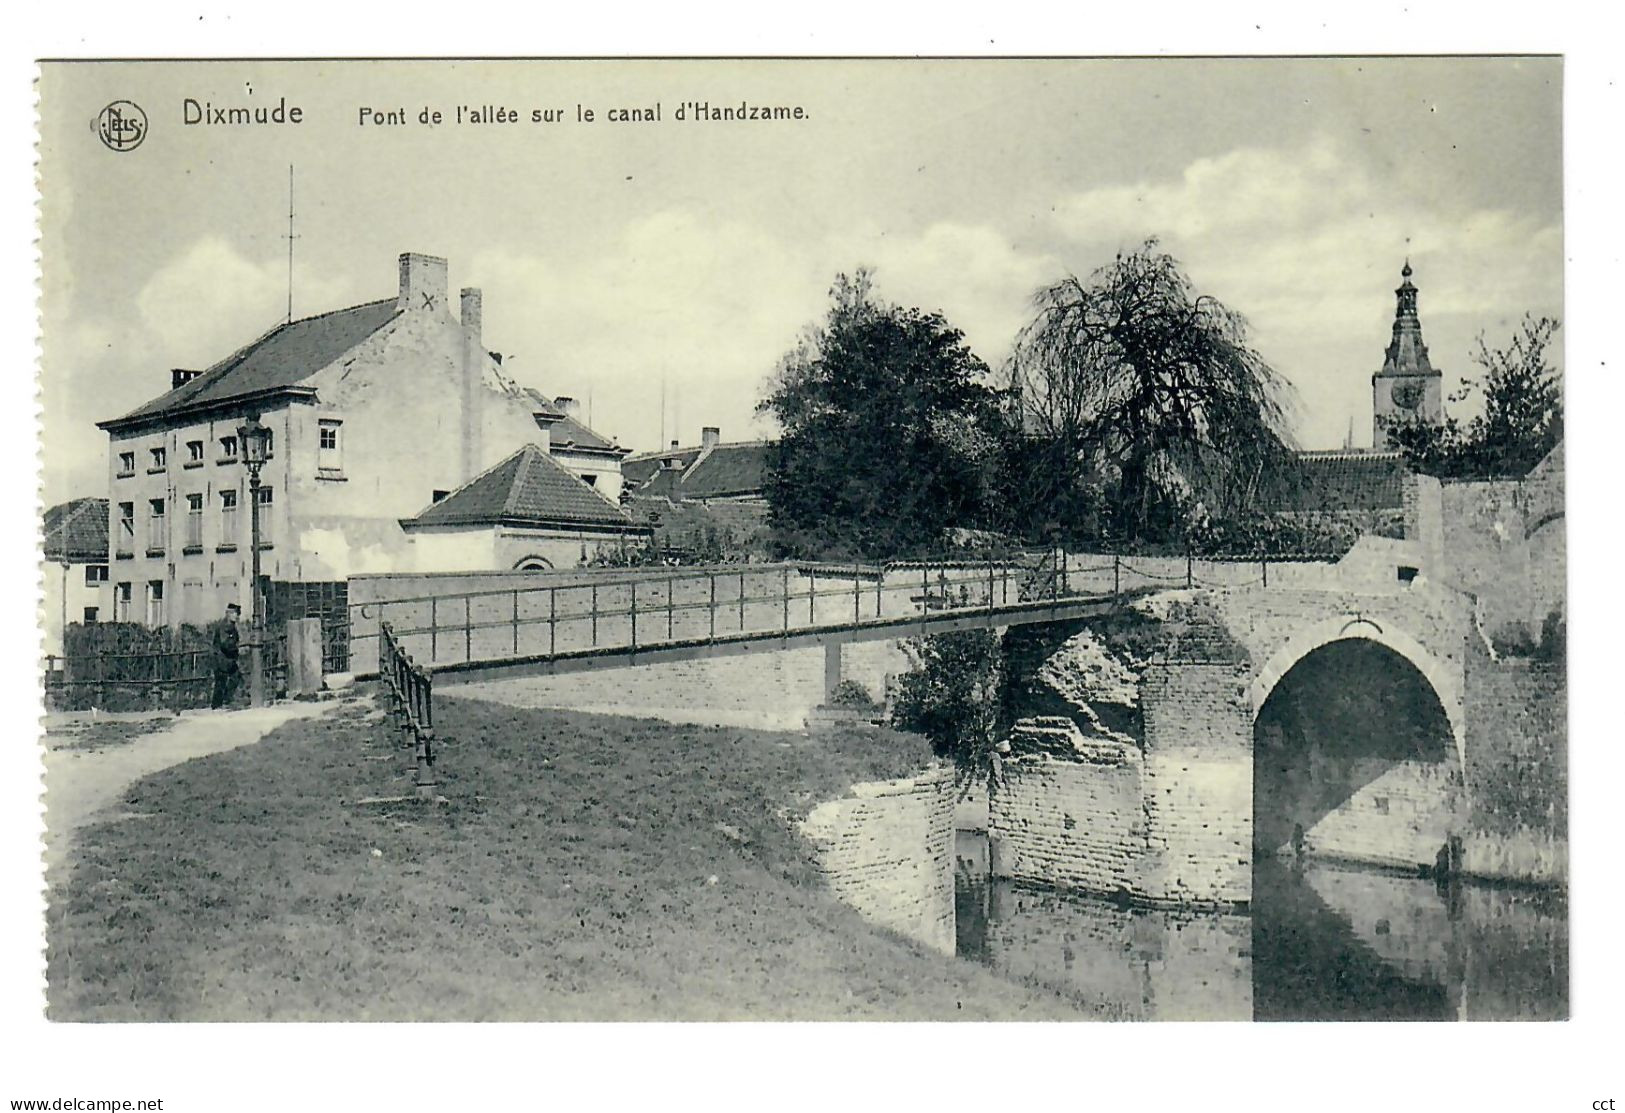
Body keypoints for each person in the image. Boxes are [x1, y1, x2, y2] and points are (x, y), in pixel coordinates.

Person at [210, 602, 242, 709]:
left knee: (235, 677)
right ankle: (217, 706)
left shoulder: (231, 626)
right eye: (235, 613)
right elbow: (225, 644)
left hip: (227, 660)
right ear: (229, 614)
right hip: (221, 659)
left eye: (237, 614)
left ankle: (224, 701)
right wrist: (235, 647)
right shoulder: (224, 626)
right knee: (221, 683)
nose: (237, 616)